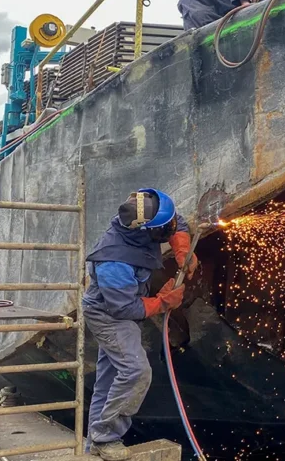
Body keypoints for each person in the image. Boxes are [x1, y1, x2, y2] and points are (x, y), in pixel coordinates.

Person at [83, 188, 199, 461]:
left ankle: (92, 444)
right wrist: (163, 302)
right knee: (135, 371)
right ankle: (106, 436)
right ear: (147, 232)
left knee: (109, 378)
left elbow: (176, 222)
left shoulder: (144, 217)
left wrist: (182, 249)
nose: (169, 230)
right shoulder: (113, 261)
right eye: (164, 231)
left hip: (122, 304)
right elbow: (124, 308)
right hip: (108, 314)